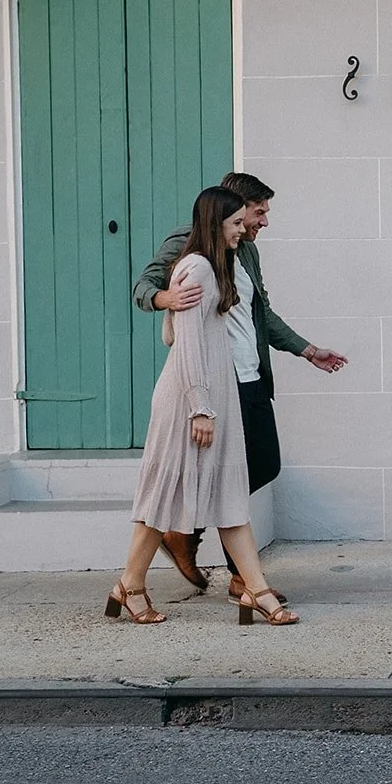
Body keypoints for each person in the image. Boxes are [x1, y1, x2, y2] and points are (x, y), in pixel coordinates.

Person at [132, 172, 346, 602]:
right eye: (259, 211)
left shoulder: (245, 250)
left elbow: (259, 313)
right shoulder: (189, 244)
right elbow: (143, 286)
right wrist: (163, 300)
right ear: (236, 208)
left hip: (251, 376)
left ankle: (186, 533)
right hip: (216, 382)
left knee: (264, 464)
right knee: (225, 477)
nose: (264, 221)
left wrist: (306, 350)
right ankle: (241, 579)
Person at [107, 186, 297, 626]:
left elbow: (175, 333)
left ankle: (256, 591)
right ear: (217, 224)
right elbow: (184, 345)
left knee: (230, 493)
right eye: (235, 224)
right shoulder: (195, 267)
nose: (241, 231)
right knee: (162, 497)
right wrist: (199, 408)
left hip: (218, 393)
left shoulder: (220, 264)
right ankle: (130, 586)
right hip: (191, 401)